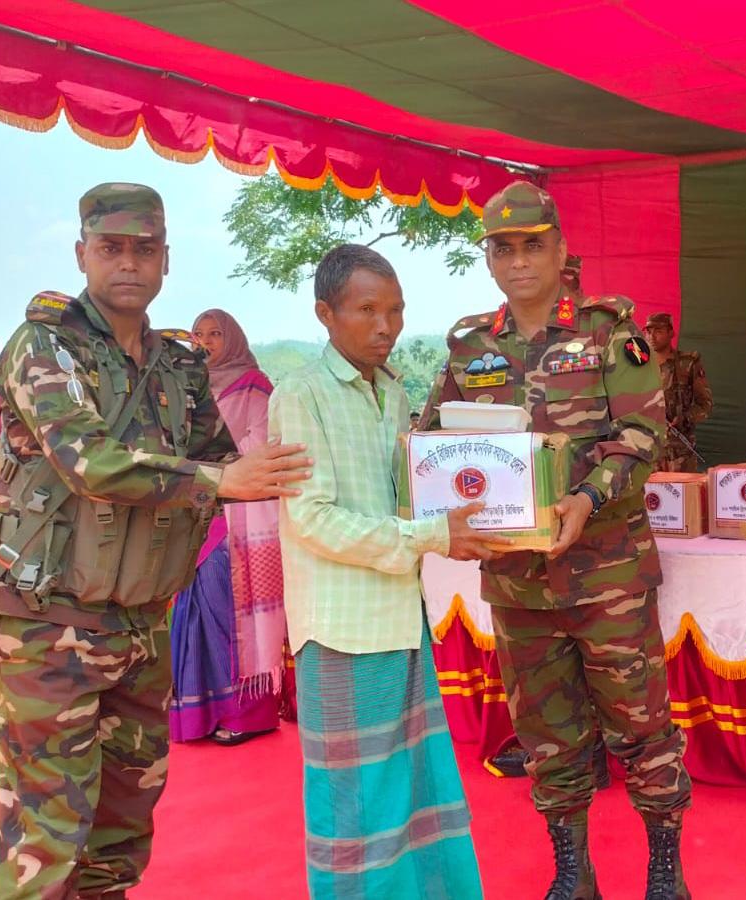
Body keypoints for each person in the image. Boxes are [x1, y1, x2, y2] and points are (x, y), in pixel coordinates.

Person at [0, 183, 311, 898]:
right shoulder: (44, 346)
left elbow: (225, 459)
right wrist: (220, 481)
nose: (128, 263)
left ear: (165, 258)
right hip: (47, 626)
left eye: (144, 249)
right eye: (111, 248)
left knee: (121, 833)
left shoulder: (179, 365)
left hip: (140, 626)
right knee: (48, 837)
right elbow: (90, 464)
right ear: (83, 254)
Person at [419, 181, 693, 900]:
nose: (517, 261)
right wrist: (440, 508)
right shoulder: (469, 345)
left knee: (641, 729)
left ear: (562, 250)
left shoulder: (610, 331)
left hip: (607, 575)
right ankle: (574, 870)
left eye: (532, 245)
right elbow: (434, 442)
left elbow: (643, 436)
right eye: (502, 248)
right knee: (549, 737)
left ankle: (666, 867)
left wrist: (587, 495)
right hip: (517, 585)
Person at [271, 243, 496, 899]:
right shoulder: (300, 396)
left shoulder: (391, 392)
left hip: (400, 620)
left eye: (395, 310)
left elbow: (406, 497)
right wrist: (433, 532)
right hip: (343, 632)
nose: (385, 325)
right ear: (325, 314)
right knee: (356, 808)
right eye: (367, 309)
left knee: (412, 787)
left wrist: (472, 514)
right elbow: (312, 519)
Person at [167, 309, 288, 745]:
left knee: (229, 614)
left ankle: (246, 714)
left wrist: (219, 465)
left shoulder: (255, 387)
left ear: (232, 338)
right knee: (194, 612)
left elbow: (264, 443)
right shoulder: (186, 388)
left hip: (239, 517)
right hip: (195, 513)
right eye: (198, 334)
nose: (204, 342)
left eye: (214, 334)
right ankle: (201, 714)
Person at [643, 312, 712, 473]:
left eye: (658, 331)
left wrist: (686, 418)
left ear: (671, 333)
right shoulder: (640, 366)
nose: (652, 336)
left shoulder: (687, 363)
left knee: (683, 497)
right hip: (649, 451)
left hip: (680, 453)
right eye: (648, 331)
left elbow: (705, 404)